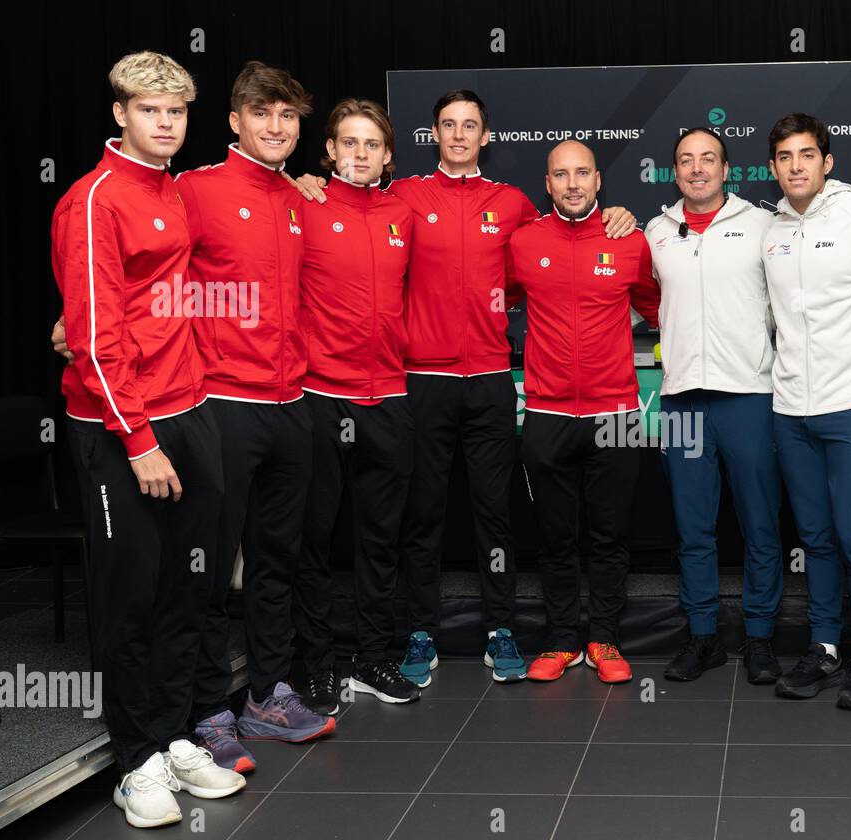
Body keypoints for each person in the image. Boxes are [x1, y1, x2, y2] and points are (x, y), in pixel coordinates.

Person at [291, 91, 637, 685]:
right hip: (420, 381)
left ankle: (500, 631)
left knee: (493, 513)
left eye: (470, 125)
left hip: (491, 381)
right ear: (432, 135)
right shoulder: (400, 198)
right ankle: (420, 631)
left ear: (485, 138)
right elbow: (353, 201)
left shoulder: (513, 206)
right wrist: (304, 184)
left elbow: (559, 250)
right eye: (448, 125)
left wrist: (617, 216)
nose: (458, 134)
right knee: (421, 514)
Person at [52, 51, 243, 826]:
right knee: (129, 596)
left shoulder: (168, 188)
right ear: (120, 115)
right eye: (150, 110)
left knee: (185, 588)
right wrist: (138, 441)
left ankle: (171, 738)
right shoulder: (93, 201)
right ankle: (134, 762)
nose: (166, 124)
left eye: (177, 112)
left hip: (188, 406)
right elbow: (94, 339)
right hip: (117, 423)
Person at [177, 62, 334, 770]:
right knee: (207, 567)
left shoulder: (300, 199)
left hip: (290, 405)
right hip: (222, 405)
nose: (277, 128)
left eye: (289, 117)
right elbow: (157, 286)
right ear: (235, 120)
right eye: (262, 113)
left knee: (276, 561)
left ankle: (267, 694)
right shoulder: (194, 190)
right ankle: (208, 708)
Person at [506, 140, 661, 683]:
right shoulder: (523, 242)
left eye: (582, 174)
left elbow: (662, 306)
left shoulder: (630, 241)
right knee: (554, 535)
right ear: (547, 185)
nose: (572, 184)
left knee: (610, 535)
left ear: (598, 181)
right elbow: (491, 298)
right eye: (560, 175)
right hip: (546, 411)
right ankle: (561, 639)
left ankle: (605, 639)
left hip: (616, 410)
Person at [761, 113, 851, 708]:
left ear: (828, 161)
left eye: (807, 155)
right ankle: (825, 647)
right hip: (790, 410)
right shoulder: (769, 231)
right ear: (772, 168)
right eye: (785, 157)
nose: (796, 166)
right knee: (815, 537)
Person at [291, 99, 419, 714]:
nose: (361, 154)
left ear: (388, 153)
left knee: (380, 538)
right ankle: (317, 666)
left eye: (372, 144)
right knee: (314, 538)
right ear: (331, 152)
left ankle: (372, 658)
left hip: (389, 395)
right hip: (320, 394)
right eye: (349, 143)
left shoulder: (404, 211)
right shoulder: (304, 204)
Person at [643, 128, 784, 684]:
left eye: (708, 160)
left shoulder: (763, 227)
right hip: (682, 402)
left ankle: (761, 638)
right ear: (673, 171)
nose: (697, 169)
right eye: (685, 160)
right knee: (693, 529)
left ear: (728, 169)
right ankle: (702, 636)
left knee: (761, 528)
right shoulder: (655, 231)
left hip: (750, 396)